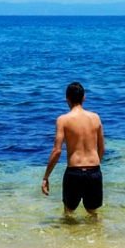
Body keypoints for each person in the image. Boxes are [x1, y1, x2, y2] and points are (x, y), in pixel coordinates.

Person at [42, 82, 105, 215]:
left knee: (68, 214)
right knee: (93, 214)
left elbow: (57, 151)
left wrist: (46, 177)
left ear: (67, 99)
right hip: (94, 171)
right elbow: (101, 148)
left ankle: (69, 236)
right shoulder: (95, 118)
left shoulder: (63, 120)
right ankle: (97, 236)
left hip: (74, 172)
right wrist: (95, 166)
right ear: (84, 98)